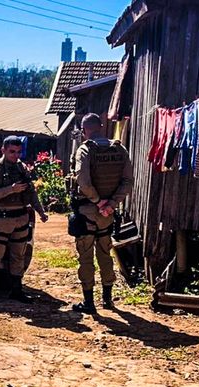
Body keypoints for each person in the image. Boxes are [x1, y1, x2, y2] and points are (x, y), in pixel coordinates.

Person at [70, 113, 134, 313]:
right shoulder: (119, 149)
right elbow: (127, 181)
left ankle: (89, 302)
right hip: (107, 214)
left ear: (84, 130)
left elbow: (83, 181)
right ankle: (107, 299)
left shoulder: (85, 150)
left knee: (86, 256)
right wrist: (111, 204)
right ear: (101, 126)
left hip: (88, 210)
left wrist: (98, 201)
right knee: (105, 254)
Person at [0, 136, 48, 307]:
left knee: (19, 255)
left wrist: (40, 211)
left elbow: (31, 192)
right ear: (3, 150)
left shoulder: (21, 168)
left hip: (21, 217)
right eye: (12, 152)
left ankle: (16, 290)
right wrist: (11, 189)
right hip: (3, 218)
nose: (16, 155)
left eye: (18, 152)